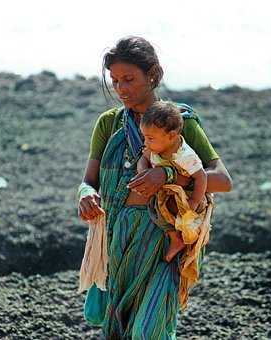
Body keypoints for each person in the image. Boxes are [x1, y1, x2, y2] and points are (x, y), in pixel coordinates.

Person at [78, 36, 232, 340]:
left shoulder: (178, 122)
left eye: (129, 79)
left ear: (152, 75)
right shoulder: (109, 124)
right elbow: (88, 182)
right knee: (120, 330)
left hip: (164, 240)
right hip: (118, 239)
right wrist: (85, 196)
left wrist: (167, 176)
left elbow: (222, 180)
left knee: (150, 330)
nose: (121, 88)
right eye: (115, 81)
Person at [137, 101, 207, 263]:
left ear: (171, 135)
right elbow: (143, 159)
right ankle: (175, 238)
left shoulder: (184, 156)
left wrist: (194, 201)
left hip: (185, 196)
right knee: (155, 210)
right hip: (163, 194)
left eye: (150, 138)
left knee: (185, 221)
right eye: (144, 138)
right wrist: (144, 173)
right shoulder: (154, 149)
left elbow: (201, 177)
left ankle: (182, 239)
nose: (146, 143)